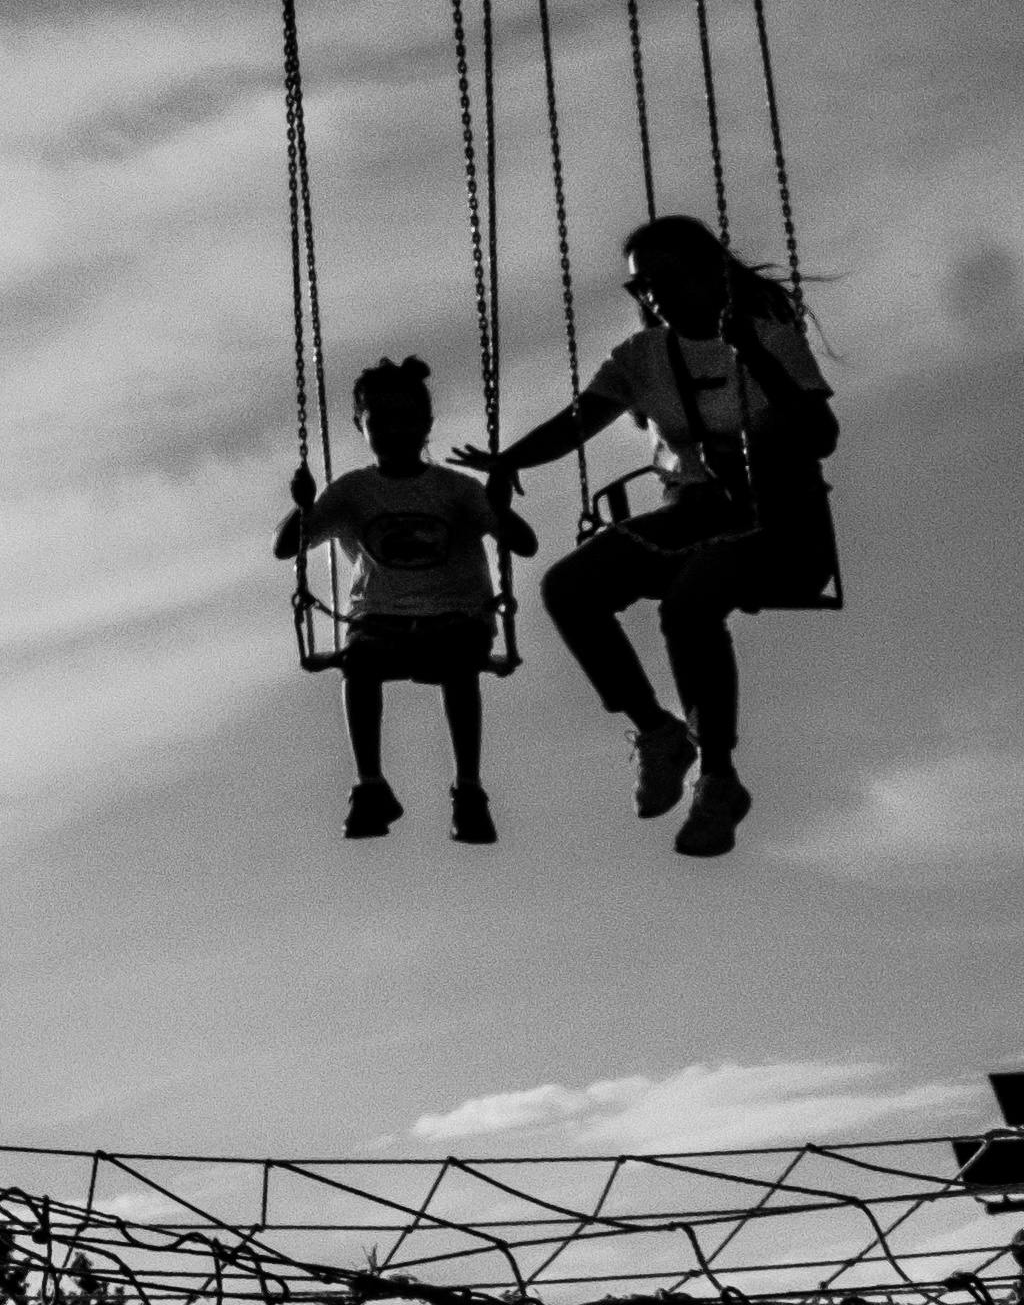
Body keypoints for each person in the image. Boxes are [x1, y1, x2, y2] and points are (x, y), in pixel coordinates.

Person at [477, 213, 835, 858]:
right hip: (691, 514)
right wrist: (511, 461)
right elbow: (579, 420)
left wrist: (751, 354)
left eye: (664, 279)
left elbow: (821, 436)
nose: (652, 297)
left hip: (779, 519)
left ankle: (719, 779)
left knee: (691, 601)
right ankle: (658, 731)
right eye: (640, 287)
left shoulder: (768, 338)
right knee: (569, 586)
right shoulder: (642, 358)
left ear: (710, 274)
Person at [277, 355, 527, 844]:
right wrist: (303, 506)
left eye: (406, 419)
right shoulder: (352, 491)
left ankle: (469, 790)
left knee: (458, 661)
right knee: (359, 662)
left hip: (456, 616)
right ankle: (370, 785)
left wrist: (497, 507)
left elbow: (524, 544)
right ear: (360, 426)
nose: (395, 430)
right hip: (381, 621)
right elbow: (287, 547)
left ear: (426, 423)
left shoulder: (454, 489)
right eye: (379, 421)